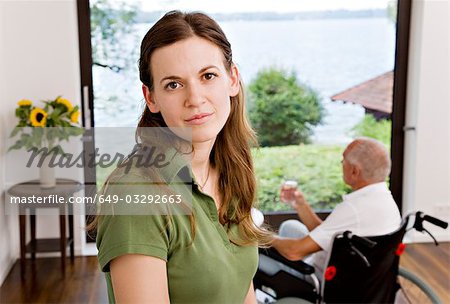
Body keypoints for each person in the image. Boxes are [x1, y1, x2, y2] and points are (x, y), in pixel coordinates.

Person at [92, 11, 272, 303]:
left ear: (232, 79)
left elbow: (242, 290)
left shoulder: (230, 169)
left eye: (208, 76)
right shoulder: (135, 194)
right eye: (173, 84)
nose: (195, 98)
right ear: (151, 98)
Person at [269, 137, 402, 279]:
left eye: (343, 160)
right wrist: (300, 204)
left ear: (355, 171)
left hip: (319, 278)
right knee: (290, 227)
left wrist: (261, 237)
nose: (341, 164)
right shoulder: (385, 200)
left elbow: (294, 252)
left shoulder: (353, 209)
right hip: (359, 273)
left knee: (262, 255)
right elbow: (330, 234)